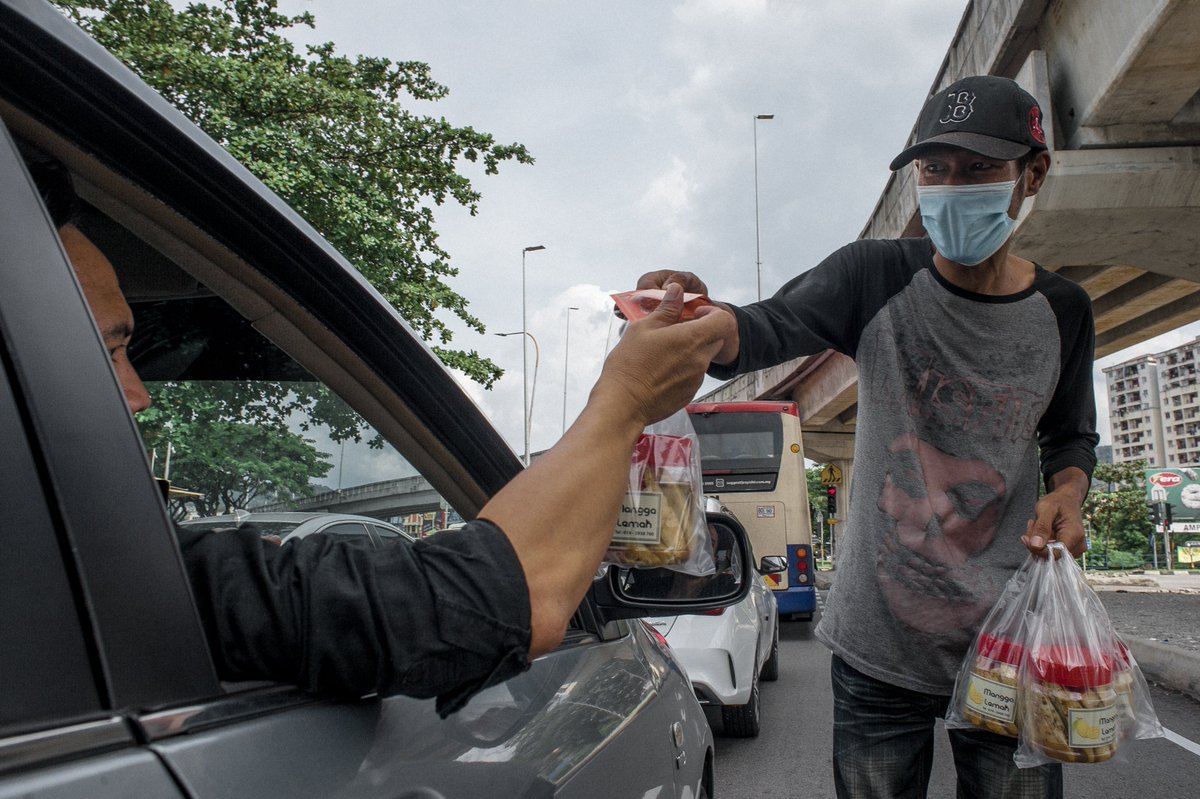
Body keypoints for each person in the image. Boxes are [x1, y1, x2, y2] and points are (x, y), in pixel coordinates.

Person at [23, 142, 729, 717]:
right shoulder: (112, 577)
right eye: (109, 351)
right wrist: (625, 401)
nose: (140, 395)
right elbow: (499, 597)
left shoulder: (70, 572)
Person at [638, 75, 1098, 797]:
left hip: (1008, 643)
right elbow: (760, 326)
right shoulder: (871, 276)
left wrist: (1068, 490)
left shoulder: (1064, 311)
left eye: (978, 169)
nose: (951, 188)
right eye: (934, 170)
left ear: (1032, 173)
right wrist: (693, 314)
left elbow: (1071, 435)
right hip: (877, 643)